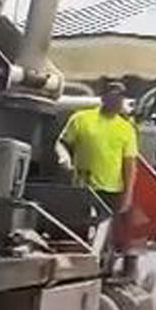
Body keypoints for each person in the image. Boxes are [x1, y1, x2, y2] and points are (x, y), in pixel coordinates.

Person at [55, 81, 138, 218]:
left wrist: (128, 195)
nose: (117, 101)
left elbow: (129, 164)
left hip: (111, 191)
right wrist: (64, 157)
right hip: (83, 186)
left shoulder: (127, 128)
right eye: (114, 97)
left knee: (104, 233)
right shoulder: (81, 119)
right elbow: (61, 143)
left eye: (120, 98)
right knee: (80, 227)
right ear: (103, 98)